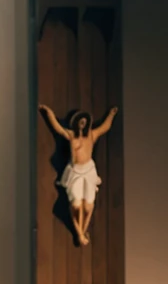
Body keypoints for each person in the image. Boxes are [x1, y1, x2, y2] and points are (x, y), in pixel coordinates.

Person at [38, 104, 117, 246]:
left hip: (88, 171)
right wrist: (48, 112)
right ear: (76, 123)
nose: (82, 124)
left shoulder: (91, 135)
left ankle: (81, 232)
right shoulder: (71, 135)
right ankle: (80, 233)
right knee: (75, 204)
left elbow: (105, 127)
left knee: (87, 206)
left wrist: (111, 114)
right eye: (80, 121)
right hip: (75, 171)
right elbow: (57, 127)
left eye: (84, 122)